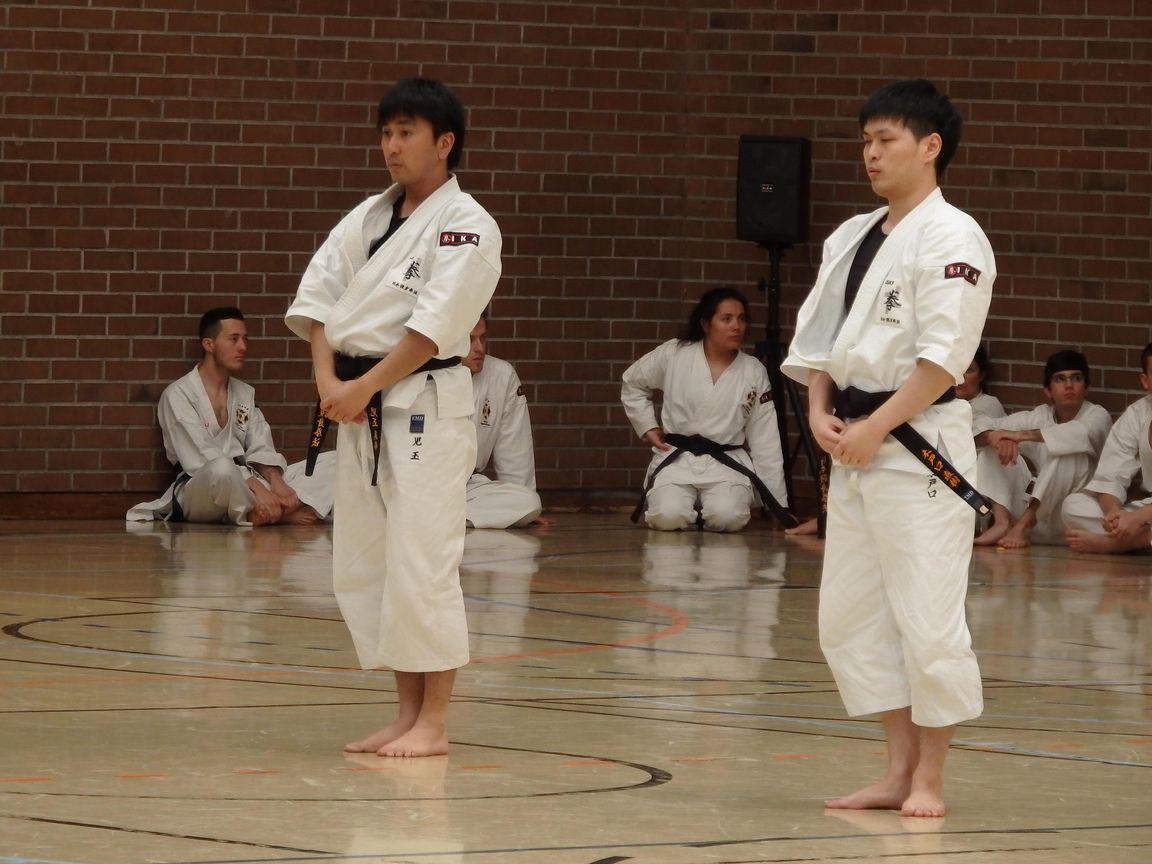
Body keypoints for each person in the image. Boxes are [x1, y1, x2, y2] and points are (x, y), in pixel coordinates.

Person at [782, 79, 995, 817]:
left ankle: (930, 778)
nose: (870, 154)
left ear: (930, 146)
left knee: (926, 615)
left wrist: (877, 426)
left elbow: (944, 359)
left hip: (918, 443)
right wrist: (818, 411)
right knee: (854, 614)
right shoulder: (850, 235)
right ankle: (896, 769)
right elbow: (819, 345)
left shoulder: (953, 236)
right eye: (865, 141)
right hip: (853, 444)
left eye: (886, 140)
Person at [285, 77, 501, 757]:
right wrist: (330, 382)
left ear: (445, 142)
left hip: (421, 406)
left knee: (423, 562)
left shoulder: (468, 225)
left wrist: (363, 387)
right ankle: (406, 714)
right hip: (359, 406)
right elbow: (318, 300)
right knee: (374, 564)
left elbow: (432, 329)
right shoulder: (367, 218)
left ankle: (434, 722)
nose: (392, 145)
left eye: (407, 132)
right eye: (386, 132)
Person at [126, 307, 333, 526]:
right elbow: (200, 459)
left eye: (245, 339)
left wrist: (276, 482)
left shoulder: (244, 394)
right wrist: (258, 488)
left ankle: (268, 511)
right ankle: (277, 511)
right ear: (209, 344)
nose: (242, 346)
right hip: (204, 488)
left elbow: (261, 447)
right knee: (222, 469)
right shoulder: (179, 395)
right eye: (234, 339)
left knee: (335, 460)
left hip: (252, 482)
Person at [621, 286, 790, 533]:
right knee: (668, 516)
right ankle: (689, 509)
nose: (736, 326)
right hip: (677, 457)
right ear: (705, 324)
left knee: (728, 518)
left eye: (742, 319)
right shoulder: (675, 354)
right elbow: (633, 382)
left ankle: (704, 511)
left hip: (726, 463)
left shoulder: (753, 371)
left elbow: (765, 439)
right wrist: (647, 426)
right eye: (726, 319)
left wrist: (777, 505)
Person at [972, 350, 1112, 549]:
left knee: (1068, 453)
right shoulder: (1040, 416)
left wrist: (1019, 436)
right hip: (1039, 520)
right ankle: (1002, 523)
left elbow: (1077, 433)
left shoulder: (1098, 416)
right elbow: (980, 424)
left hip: (1071, 516)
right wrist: (994, 437)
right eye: (1060, 379)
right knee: (993, 445)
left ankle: (1024, 525)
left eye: (1076, 378)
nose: (1069, 385)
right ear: (1048, 390)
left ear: (1086, 387)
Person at [1063, 343, 1152, 554]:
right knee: (1073, 506)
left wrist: (1138, 517)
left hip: (1146, 515)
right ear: (1145, 380)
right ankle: (1132, 536)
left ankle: (1117, 544)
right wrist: (1114, 515)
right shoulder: (1138, 414)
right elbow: (1110, 476)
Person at [461, 313, 546, 528]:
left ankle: (443, 517)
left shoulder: (502, 374)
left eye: (483, 338)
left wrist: (522, 511)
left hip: (467, 485)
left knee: (528, 502)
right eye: (470, 340)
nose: (479, 348)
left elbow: (515, 445)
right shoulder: (427, 371)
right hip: (426, 480)